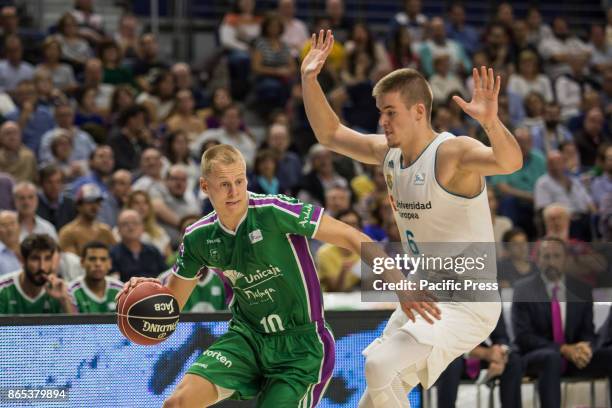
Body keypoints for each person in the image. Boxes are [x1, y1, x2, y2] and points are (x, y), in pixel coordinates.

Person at [301, 30, 522, 407]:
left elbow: (509, 162)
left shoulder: (452, 153)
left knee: (380, 366)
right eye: (380, 113)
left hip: (469, 298)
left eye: (391, 112)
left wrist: (490, 123)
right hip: (425, 286)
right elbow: (330, 132)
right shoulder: (388, 153)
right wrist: (308, 79)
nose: (383, 122)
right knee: (375, 393)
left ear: (419, 111)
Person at [117, 144, 417, 407]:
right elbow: (172, 305)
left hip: (301, 346)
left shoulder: (275, 211)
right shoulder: (198, 237)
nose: (234, 191)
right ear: (205, 187)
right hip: (247, 338)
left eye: (239, 181)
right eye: (224, 184)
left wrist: (400, 285)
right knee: (178, 403)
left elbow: (352, 237)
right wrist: (143, 291)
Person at [0, 233, 76, 314]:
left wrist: (64, 300)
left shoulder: (62, 290)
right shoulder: (3, 289)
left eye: (47, 258)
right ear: (23, 260)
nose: (42, 267)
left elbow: (75, 326)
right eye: (35, 259)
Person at [69, 241, 123, 313]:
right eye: (92, 259)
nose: (98, 264)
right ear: (82, 262)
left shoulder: (120, 289)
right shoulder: (71, 291)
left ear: (109, 263)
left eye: (103, 259)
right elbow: (71, 322)